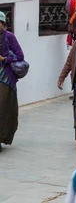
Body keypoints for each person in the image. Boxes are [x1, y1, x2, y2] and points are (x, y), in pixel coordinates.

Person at [0, 11, 24, 152]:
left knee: (2, 108)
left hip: (5, 78)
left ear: (3, 24)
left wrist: (5, 59)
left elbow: (20, 55)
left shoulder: (10, 38)